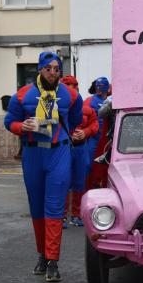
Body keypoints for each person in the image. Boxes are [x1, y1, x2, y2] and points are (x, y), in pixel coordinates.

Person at [4, 52, 83, 282]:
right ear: (40, 69)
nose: (53, 72)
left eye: (57, 68)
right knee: (37, 208)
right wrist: (23, 126)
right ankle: (41, 255)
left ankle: (53, 261)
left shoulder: (70, 95)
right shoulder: (21, 96)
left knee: (55, 208)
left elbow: (76, 119)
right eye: (48, 68)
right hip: (33, 153)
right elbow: (9, 122)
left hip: (59, 151)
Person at [60, 75, 99, 227]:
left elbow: (95, 124)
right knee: (63, 181)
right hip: (64, 148)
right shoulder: (58, 107)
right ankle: (61, 216)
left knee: (79, 182)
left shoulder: (85, 108)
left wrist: (86, 132)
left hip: (80, 148)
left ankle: (77, 215)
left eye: (74, 85)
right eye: (69, 85)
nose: (73, 88)